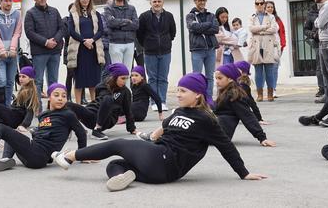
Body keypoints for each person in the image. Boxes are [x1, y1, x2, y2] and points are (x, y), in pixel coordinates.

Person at [52, 72, 268, 192]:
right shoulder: (179, 112)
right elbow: (160, 132)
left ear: (198, 95)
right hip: (156, 167)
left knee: (118, 144)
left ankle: (69, 157)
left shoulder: (206, 119)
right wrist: (150, 136)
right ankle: (122, 178)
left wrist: (244, 173)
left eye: (183, 91)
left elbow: (226, 147)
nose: (179, 94)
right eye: (179, 90)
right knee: (115, 164)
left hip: (166, 162)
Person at [0, 82, 87, 173]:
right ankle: (6, 160)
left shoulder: (68, 114)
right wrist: (33, 132)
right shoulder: (44, 115)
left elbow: (82, 133)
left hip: (39, 157)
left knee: (2, 129)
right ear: (49, 97)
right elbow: (44, 135)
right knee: (13, 132)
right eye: (56, 95)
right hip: (30, 155)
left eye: (64, 95)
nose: (61, 98)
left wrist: (82, 156)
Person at [67, 63, 136, 140]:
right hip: (91, 115)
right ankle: (73, 127)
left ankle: (97, 130)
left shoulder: (125, 92)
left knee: (108, 99)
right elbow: (97, 103)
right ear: (114, 77)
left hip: (107, 119)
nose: (125, 81)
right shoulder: (101, 86)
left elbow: (128, 111)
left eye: (127, 78)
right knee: (67, 105)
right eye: (123, 78)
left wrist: (132, 128)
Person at [213, 64, 276, 147]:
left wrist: (262, 138)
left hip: (221, 131)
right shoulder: (225, 92)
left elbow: (247, 116)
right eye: (216, 78)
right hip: (217, 128)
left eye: (220, 78)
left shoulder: (235, 95)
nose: (217, 81)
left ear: (230, 79)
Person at [24, 0, 66, 101]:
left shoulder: (54, 11)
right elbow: (29, 32)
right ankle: (38, 110)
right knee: (38, 81)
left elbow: (62, 28)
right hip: (39, 53)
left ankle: (53, 107)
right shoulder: (30, 13)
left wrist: (55, 40)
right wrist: (45, 42)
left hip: (55, 51)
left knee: (53, 81)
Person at [137, 0, 176, 111]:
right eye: (154, 1)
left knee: (163, 78)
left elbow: (173, 32)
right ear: (150, 3)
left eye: (159, 1)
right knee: (152, 78)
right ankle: (154, 102)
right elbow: (139, 34)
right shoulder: (144, 16)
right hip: (150, 52)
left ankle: (162, 101)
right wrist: (147, 44)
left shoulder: (169, 16)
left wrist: (166, 41)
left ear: (162, 2)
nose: (157, 4)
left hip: (165, 51)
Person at [66, 0, 105, 104]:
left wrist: (92, 40)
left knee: (94, 80)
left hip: (93, 50)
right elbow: (71, 31)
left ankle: (94, 104)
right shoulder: (73, 13)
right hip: (80, 51)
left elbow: (101, 30)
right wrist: (84, 41)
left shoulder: (95, 13)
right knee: (79, 80)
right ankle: (78, 106)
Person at [0, 0, 23, 106]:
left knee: (10, 81)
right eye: (5, 1)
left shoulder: (17, 14)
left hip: (12, 53)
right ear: (0, 1)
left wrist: (13, 49)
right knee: (1, 80)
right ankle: (0, 107)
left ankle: (7, 107)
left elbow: (17, 33)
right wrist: (2, 50)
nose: (8, 3)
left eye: (10, 1)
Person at [0, 66, 39, 131]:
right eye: (20, 76)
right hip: (13, 117)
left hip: (14, 118)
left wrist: (23, 125)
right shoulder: (24, 89)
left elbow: (30, 111)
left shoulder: (29, 91)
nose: (20, 79)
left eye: (24, 77)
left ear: (30, 79)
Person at [186, 0, 219, 95]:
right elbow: (193, 28)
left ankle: (208, 99)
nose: (202, 2)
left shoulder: (211, 15)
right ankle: (198, 99)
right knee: (197, 76)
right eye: (199, 0)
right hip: (197, 50)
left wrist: (201, 27)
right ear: (195, 1)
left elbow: (215, 29)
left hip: (211, 49)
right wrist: (208, 25)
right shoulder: (190, 16)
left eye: (204, 0)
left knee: (210, 77)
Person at [248, 0, 280, 102]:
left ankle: (270, 93)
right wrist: (264, 27)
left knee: (269, 71)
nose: (259, 5)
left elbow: (274, 29)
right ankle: (260, 94)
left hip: (268, 46)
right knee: (258, 72)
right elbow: (251, 29)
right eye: (257, 3)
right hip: (256, 46)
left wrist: (259, 30)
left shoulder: (271, 17)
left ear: (264, 4)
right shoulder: (252, 17)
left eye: (261, 3)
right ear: (255, 4)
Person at [104, 0, 139, 66]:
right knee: (118, 73)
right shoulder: (108, 8)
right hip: (115, 44)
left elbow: (136, 25)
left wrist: (118, 25)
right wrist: (127, 21)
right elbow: (110, 23)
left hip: (130, 44)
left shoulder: (132, 8)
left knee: (128, 72)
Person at [303, 2, 324, 98]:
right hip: (317, 42)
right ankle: (322, 88)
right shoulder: (311, 14)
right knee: (320, 66)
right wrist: (313, 34)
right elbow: (305, 29)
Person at [265, 1, 285, 97]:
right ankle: (268, 88)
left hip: (276, 46)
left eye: (271, 7)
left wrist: (283, 45)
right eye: (268, 7)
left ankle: (273, 89)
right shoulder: (261, 19)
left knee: (275, 68)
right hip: (265, 47)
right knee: (267, 69)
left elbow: (282, 33)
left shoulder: (277, 19)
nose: (270, 9)